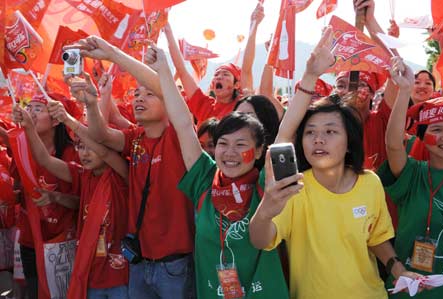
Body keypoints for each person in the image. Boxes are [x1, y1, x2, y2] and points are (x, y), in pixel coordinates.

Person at [248, 27, 420, 299]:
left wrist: (397, 269)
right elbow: (259, 238)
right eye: (310, 132)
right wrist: (267, 209)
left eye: (330, 131)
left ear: (349, 140)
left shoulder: (370, 182)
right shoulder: (293, 188)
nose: (318, 140)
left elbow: (376, 238)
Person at [145, 43, 289, 299]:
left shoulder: (267, 183)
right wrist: (164, 71)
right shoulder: (204, 179)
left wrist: (309, 78)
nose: (230, 152)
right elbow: (182, 123)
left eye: (241, 144)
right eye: (223, 143)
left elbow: (287, 129)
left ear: (259, 150)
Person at [65, 38, 195, 298]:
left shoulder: (177, 137)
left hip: (175, 265)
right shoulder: (135, 138)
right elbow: (100, 135)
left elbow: (165, 89)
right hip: (139, 262)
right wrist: (91, 103)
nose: (139, 98)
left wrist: (114, 55)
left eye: (148, 94)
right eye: (136, 93)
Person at [12, 98, 129, 299]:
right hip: (90, 271)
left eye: (90, 147)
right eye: (80, 146)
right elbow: (44, 159)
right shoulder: (82, 174)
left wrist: (70, 118)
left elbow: (104, 150)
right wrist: (29, 127)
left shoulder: (121, 174)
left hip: (120, 276)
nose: (84, 153)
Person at [379, 58, 443, 298]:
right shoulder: (412, 174)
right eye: (437, 130)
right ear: (420, 136)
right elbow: (393, 146)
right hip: (408, 288)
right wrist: (405, 90)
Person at [11, 93, 80, 299]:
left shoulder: (73, 153)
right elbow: (17, 187)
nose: (30, 113)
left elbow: (82, 201)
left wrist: (55, 197)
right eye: (29, 108)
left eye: (37, 109)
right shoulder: (22, 147)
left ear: (57, 119)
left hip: (63, 243)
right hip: (30, 241)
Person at [164, 22, 242, 125]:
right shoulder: (205, 105)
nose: (219, 77)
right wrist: (168, 32)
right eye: (216, 75)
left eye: (225, 74)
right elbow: (182, 71)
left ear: (236, 84)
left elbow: (247, 71)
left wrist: (254, 26)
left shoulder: (242, 106)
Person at [234, 95, 280, 169]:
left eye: (249, 117)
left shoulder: (277, 158)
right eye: (238, 117)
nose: (241, 122)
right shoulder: (228, 157)